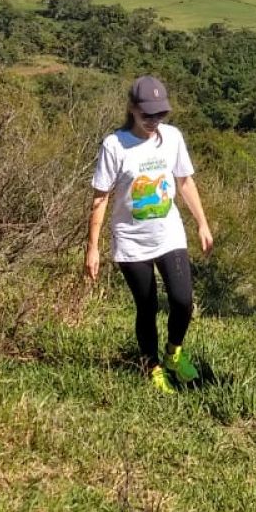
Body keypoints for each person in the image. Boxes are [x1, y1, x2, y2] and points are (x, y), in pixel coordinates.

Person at [86, 75, 213, 394]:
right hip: (131, 240)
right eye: (147, 114)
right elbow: (100, 198)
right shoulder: (115, 145)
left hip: (169, 233)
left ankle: (173, 354)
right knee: (147, 306)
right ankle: (151, 366)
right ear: (132, 109)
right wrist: (93, 247)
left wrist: (202, 222)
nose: (154, 120)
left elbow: (185, 182)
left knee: (183, 300)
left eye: (160, 114)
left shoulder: (172, 138)